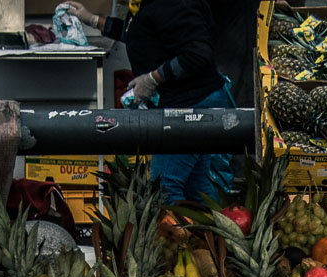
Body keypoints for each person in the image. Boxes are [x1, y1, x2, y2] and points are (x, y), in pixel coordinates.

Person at [67, 0, 234, 203]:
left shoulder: (173, 5)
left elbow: (197, 54)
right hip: (188, 105)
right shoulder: (147, 5)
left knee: (165, 190)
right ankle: (203, 234)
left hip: (190, 109)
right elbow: (142, 35)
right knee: (198, 191)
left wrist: (154, 78)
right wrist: (94, 20)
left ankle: (173, 234)